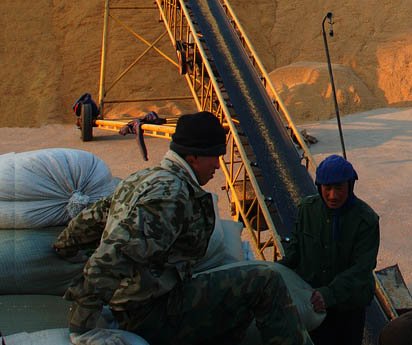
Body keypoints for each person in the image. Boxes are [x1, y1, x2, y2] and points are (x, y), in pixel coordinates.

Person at [53, 112, 312, 345]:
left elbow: (91, 219)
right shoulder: (170, 197)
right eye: (215, 157)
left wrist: (63, 246)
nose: (217, 166)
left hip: (146, 304)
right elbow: (113, 256)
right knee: (265, 281)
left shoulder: (141, 178)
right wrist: (82, 325)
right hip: (153, 313)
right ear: (193, 156)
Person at [280, 155, 379, 345]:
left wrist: (328, 294)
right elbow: (294, 252)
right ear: (319, 187)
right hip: (314, 304)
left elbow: (361, 269)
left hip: (348, 306)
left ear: (350, 186)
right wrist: (272, 273)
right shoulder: (306, 210)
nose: (333, 195)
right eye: (327, 188)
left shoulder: (365, 220)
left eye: (339, 188)